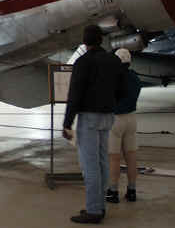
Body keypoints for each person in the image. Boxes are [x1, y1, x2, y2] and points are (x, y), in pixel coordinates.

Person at [63, 25, 127, 224]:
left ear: (85, 42)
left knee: (90, 166)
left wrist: (67, 122)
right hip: (108, 116)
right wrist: (111, 103)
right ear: (101, 40)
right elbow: (123, 88)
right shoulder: (114, 60)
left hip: (89, 118)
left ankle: (93, 211)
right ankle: (100, 207)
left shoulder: (83, 62)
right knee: (102, 163)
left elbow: (75, 93)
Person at [105, 48, 141, 203]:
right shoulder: (135, 77)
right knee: (131, 157)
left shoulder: (112, 77)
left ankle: (113, 192)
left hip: (115, 121)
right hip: (131, 119)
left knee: (114, 159)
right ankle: (131, 190)